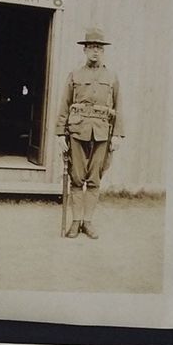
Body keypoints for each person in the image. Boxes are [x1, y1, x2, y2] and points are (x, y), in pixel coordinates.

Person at [55, 27, 125, 240]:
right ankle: (76, 222)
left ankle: (88, 222)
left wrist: (117, 135)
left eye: (99, 48)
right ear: (84, 50)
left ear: (103, 51)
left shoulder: (112, 76)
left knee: (94, 179)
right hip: (76, 131)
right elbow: (64, 105)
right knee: (77, 178)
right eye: (92, 47)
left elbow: (119, 105)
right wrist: (60, 133)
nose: (95, 51)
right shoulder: (75, 75)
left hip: (103, 133)